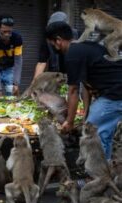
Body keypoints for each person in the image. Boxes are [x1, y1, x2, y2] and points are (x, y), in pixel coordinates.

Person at [45, 21, 122, 160]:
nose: (54, 48)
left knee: (91, 135)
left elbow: (73, 90)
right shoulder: (84, 48)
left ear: (58, 41)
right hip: (114, 93)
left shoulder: (72, 54)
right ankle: (105, 173)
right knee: (104, 135)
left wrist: (69, 121)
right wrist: (86, 112)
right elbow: (86, 85)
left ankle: (97, 176)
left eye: (52, 44)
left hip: (114, 94)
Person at [22, 12, 78, 98]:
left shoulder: (76, 36)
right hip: (56, 74)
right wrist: (33, 85)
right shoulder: (48, 40)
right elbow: (41, 63)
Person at [0, 14, 23, 98]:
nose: (7, 35)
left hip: (9, 68)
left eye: (9, 32)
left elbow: (18, 62)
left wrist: (16, 83)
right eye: (4, 32)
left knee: (12, 96)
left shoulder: (17, 39)